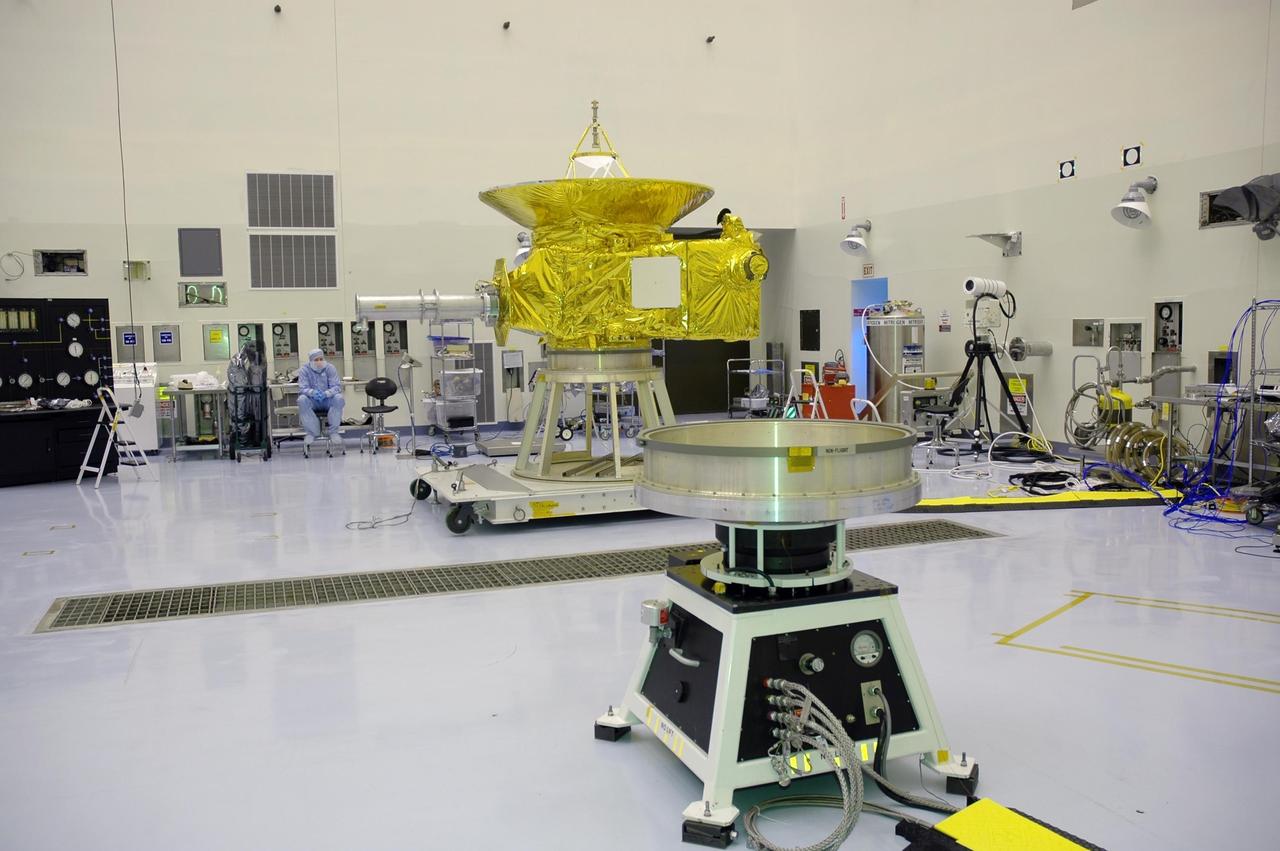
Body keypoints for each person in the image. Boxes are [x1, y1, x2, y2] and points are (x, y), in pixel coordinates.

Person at [298, 348, 344, 446]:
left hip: (327, 400)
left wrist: (327, 393)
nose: (319, 362)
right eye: (316, 360)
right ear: (311, 361)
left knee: (338, 398)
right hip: (313, 401)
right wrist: (312, 393)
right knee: (301, 400)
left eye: (321, 359)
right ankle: (312, 432)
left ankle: (333, 432)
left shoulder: (330, 368)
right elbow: (302, 388)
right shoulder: (304, 370)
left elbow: (336, 387)